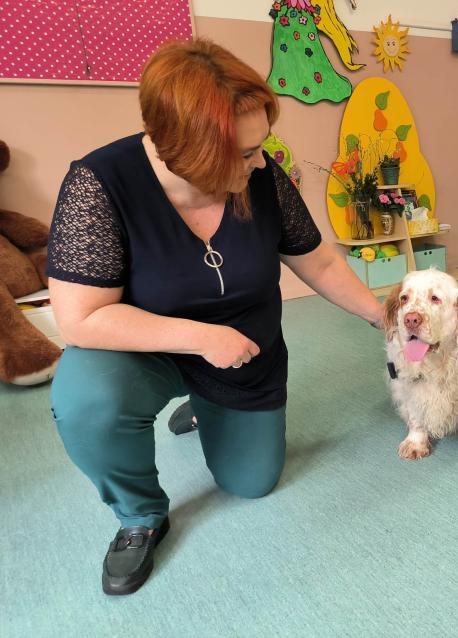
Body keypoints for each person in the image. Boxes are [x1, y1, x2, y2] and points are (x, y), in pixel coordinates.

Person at [46, 39, 383, 596]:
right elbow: (81, 319)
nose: (261, 162)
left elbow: (319, 261)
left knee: (252, 482)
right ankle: (139, 515)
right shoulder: (100, 183)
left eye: (260, 147)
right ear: (193, 152)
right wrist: (202, 337)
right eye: (246, 153)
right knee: (87, 400)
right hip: (145, 352)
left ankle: (206, 406)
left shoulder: (263, 177)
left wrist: (386, 317)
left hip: (243, 355)